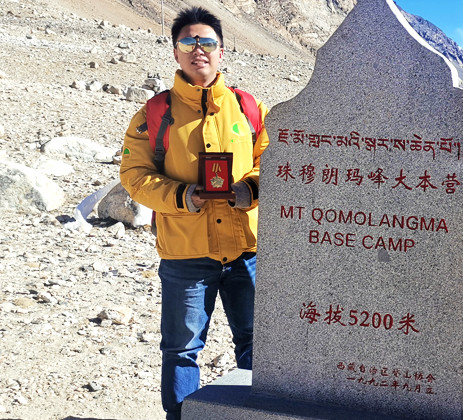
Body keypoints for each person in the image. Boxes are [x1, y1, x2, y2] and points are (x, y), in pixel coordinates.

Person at [119, 7, 269, 419]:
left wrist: (249, 189)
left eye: (207, 42)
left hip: (246, 250)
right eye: (188, 42)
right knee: (182, 349)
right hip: (185, 253)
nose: (197, 49)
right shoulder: (154, 113)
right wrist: (183, 196)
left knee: (258, 345)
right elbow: (134, 175)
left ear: (221, 51)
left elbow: (272, 162)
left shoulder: (249, 108)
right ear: (175, 52)